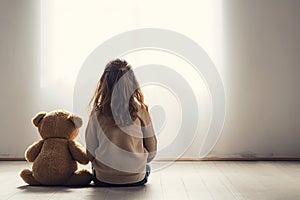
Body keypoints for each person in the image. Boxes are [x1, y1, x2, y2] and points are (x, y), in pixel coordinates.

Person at [85, 58, 157, 187]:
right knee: (148, 166)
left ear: (104, 84)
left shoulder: (97, 113)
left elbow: (90, 153)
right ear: (132, 83)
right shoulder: (141, 110)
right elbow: (152, 151)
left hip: (104, 178)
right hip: (136, 179)